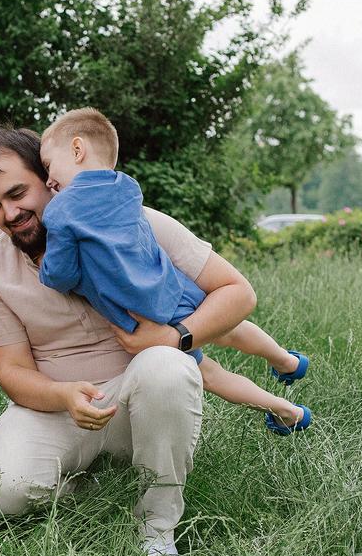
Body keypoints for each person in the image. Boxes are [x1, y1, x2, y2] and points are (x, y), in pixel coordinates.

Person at [0, 126, 255, 556]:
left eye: (17, 193)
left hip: (139, 396)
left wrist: (176, 337)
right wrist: (62, 394)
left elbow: (238, 292)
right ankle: (104, 490)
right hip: (58, 407)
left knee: (166, 365)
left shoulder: (134, 220)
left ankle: (157, 527)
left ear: (50, 178)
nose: (10, 213)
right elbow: (11, 372)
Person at [38, 107, 311, 435]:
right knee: (229, 329)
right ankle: (287, 362)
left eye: (49, 166)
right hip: (170, 287)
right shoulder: (128, 189)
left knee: (211, 375)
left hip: (140, 314)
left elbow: (62, 275)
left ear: (77, 150)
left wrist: (46, 269)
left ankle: (287, 411)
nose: (48, 180)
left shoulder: (60, 211)